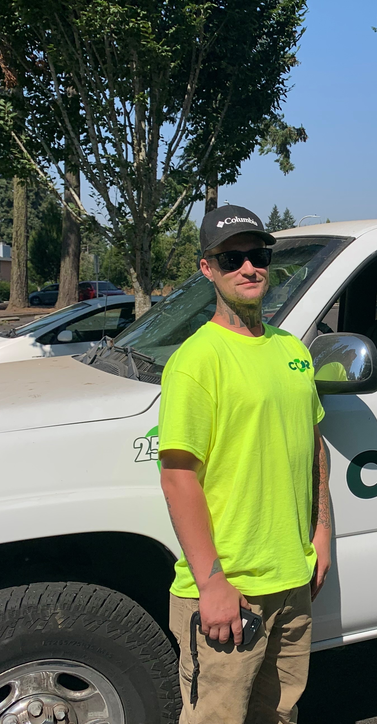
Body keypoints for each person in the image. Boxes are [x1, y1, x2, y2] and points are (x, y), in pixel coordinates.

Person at [158, 204, 331, 724]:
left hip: (291, 578)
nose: (249, 268)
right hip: (230, 591)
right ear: (207, 268)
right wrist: (212, 584)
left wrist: (322, 533)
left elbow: (314, 442)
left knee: (279, 714)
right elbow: (177, 476)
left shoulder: (291, 351)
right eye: (232, 258)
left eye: (258, 255)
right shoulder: (196, 360)